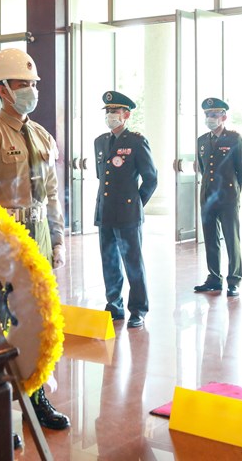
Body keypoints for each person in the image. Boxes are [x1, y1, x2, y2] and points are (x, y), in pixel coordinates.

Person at [0, 48, 69, 431]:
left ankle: (37, 395)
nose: (31, 90)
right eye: (23, 84)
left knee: (36, 318)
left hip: (38, 235)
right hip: (2, 241)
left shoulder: (41, 135)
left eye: (33, 84)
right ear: (3, 90)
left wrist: (57, 238)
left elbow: (53, 194)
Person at [94, 90, 158, 328]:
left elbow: (151, 178)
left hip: (128, 214)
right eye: (108, 111)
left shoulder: (136, 141)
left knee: (133, 262)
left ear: (126, 114)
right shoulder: (100, 142)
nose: (110, 115)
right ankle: (114, 304)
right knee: (109, 261)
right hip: (105, 212)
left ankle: (138, 309)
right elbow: (102, 178)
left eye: (115, 111)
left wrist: (136, 204)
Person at [193, 98, 242, 297]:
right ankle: (214, 277)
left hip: (228, 195)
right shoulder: (202, 140)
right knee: (210, 238)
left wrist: (235, 191)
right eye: (207, 114)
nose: (210, 118)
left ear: (223, 116)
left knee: (231, 238)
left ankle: (234, 279)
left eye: (214, 114)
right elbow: (203, 168)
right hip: (208, 194)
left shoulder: (234, 138)